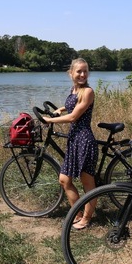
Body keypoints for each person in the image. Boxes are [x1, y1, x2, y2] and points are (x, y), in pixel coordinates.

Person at [44, 58, 99, 230]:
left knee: (87, 182)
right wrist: (61, 108)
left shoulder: (88, 91)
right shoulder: (75, 90)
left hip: (84, 141)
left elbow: (74, 117)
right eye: (79, 71)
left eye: (85, 71)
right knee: (64, 180)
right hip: (74, 140)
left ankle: (87, 218)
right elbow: (72, 107)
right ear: (71, 73)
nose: (82, 74)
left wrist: (50, 120)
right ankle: (78, 213)